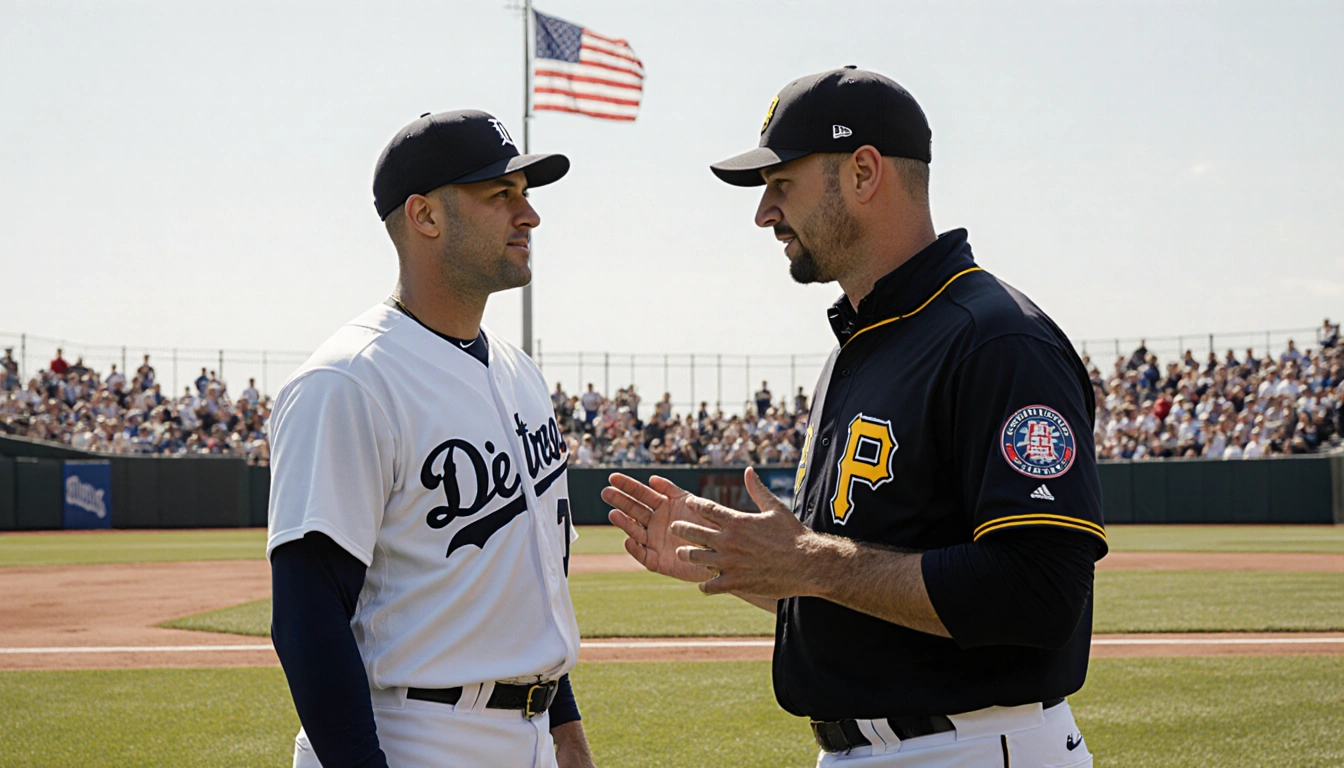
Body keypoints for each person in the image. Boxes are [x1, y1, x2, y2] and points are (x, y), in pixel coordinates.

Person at [604, 67, 1104, 767]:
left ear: (865, 172)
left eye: (782, 184)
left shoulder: (997, 338)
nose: (764, 213)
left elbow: (1039, 593)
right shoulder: (857, 351)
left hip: (978, 746)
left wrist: (808, 561)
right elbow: (859, 591)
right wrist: (744, 563)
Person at [267, 109, 592, 768]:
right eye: (502, 196)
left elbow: (525, 586)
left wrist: (565, 728)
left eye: (525, 197)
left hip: (526, 736)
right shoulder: (349, 380)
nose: (528, 216)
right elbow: (307, 614)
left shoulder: (518, 370)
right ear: (425, 216)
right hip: (413, 735)